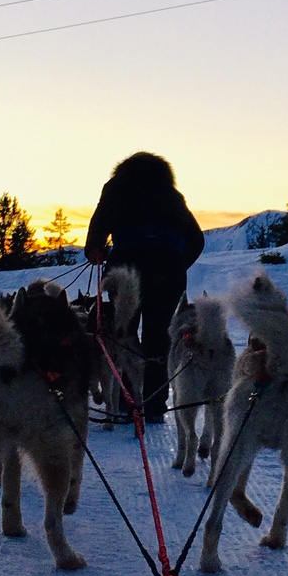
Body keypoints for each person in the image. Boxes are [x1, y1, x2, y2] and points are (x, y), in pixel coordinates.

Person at [84, 152, 205, 424]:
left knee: (121, 333)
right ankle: (154, 404)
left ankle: (125, 400)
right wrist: (176, 264)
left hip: (128, 266)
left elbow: (100, 221)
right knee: (158, 336)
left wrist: (95, 249)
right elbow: (196, 240)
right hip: (168, 269)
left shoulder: (116, 187)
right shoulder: (172, 195)